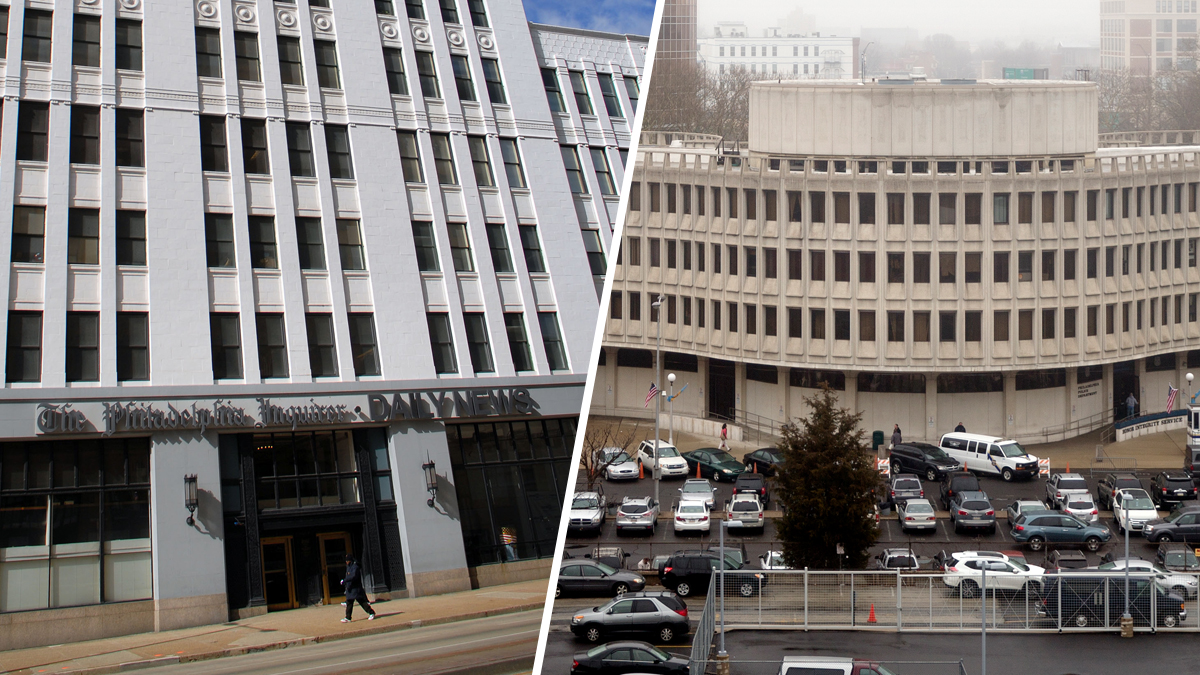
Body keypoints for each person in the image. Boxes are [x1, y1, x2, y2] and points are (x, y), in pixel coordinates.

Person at [340, 554, 375, 622]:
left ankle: (371, 612)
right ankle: (348, 617)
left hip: (355, 588)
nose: (346, 562)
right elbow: (348, 575)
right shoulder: (349, 567)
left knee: (361, 601)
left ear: (350, 560)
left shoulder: (355, 567)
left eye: (347, 560)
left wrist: (345, 580)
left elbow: (353, 576)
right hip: (350, 588)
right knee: (349, 603)